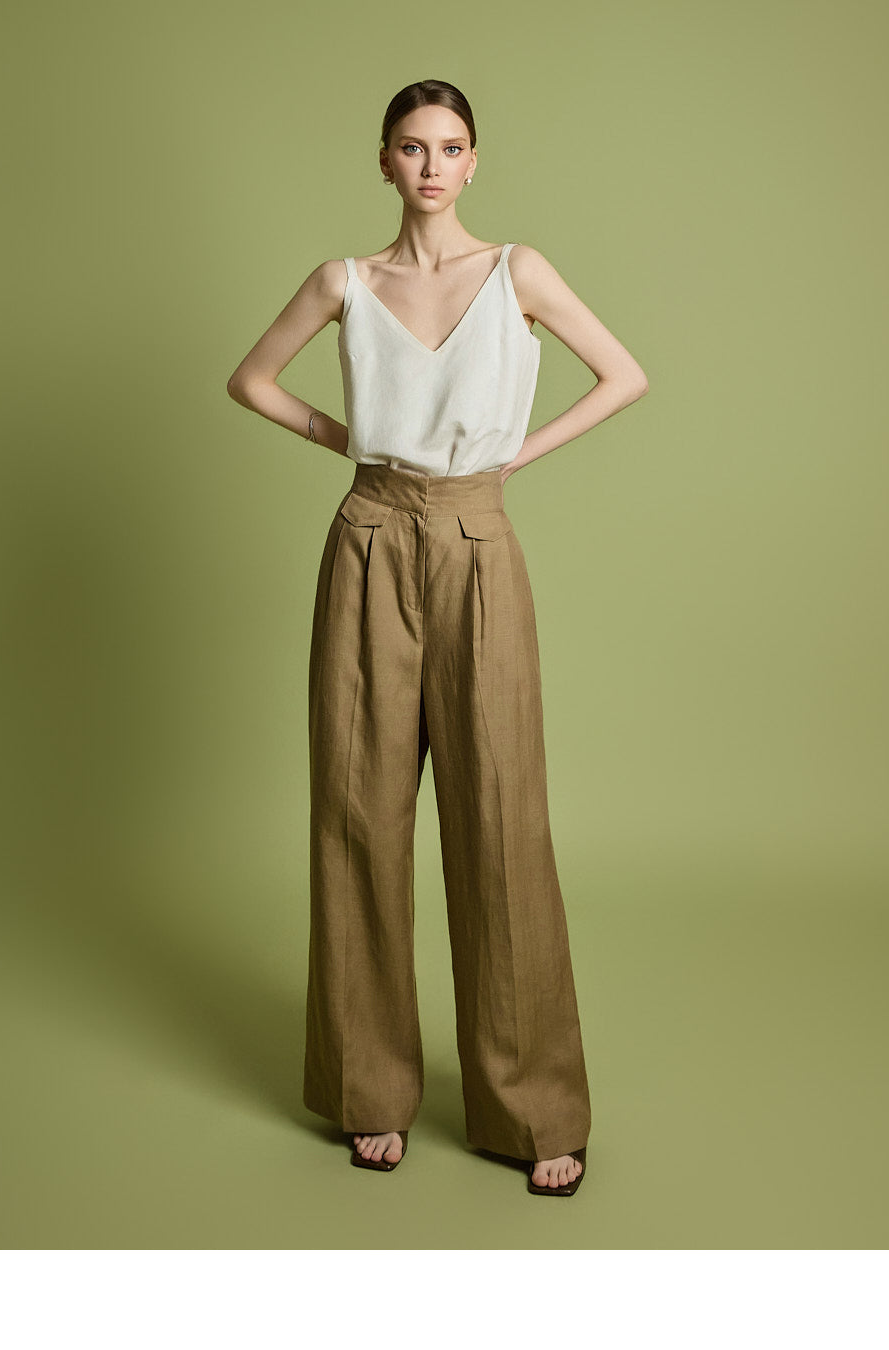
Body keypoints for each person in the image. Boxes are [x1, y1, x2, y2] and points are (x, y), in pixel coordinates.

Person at [227, 78, 649, 1196]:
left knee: (501, 819)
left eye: (451, 147)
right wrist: (356, 445)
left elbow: (625, 375)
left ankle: (534, 1107)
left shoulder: (518, 272)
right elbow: (250, 381)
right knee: (357, 814)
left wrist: (513, 457)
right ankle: (369, 1092)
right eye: (412, 148)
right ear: (383, 160)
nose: (431, 166)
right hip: (369, 536)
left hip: (477, 538)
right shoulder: (345, 282)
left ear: (474, 162)